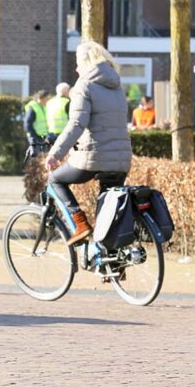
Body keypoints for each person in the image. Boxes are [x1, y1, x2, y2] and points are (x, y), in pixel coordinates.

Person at [46, 41, 132, 246]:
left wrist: (55, 154)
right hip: (121, 160)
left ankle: (80, 224)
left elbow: (77, 124)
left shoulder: (84, 86)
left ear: (86, 62)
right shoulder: (118, 86)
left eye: (77, 63)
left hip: (94, 157)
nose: (76, 68)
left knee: (55, 180)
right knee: (107, 215)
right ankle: (111, 265)